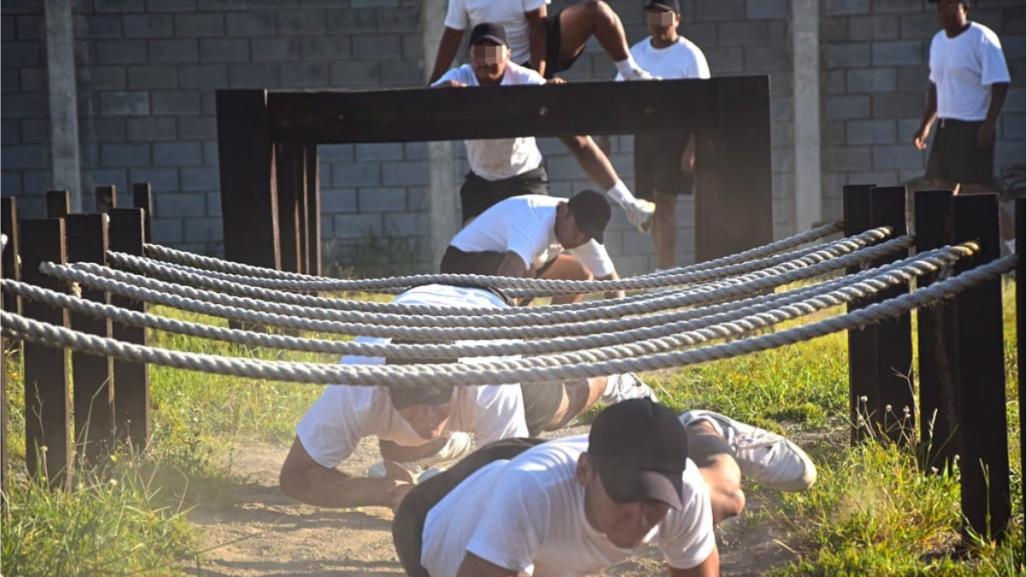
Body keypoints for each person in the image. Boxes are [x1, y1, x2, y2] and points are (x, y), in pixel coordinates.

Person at [278, 284, 655, 511]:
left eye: (436, 403)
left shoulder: (489, 384)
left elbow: (515, 483)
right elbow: (295, 476)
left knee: (555, 408)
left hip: (486, 311)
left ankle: (611, 373)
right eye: (413, 405)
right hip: (416, 301)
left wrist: (456, 494)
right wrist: (384, 492)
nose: (427, 416)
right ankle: (438, 449)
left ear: (458, 386)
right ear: (387, 389)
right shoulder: (357, 388)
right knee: (405, 439)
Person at [392, 399, 817, 577]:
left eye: (654, 506)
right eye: (624, 498)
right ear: (587, 472)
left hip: (561, 468)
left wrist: (651, 501)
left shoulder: (680, 491)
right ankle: (434, 479)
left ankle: (701, 427)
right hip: (433, 513)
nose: (636, 523)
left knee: (728, 498)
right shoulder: (530, 496)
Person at [432, 22, 656, 233]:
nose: (486, 62)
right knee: (471, 248)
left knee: (575, 138)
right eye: (479, 54)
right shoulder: (463, 75)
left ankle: (629, 203)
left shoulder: (520, 77)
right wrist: (445, 90)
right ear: (470, 56)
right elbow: (427, 98)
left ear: (508, 55)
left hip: (524, 178)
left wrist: (552, 90)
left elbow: (547, 92)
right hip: (482, 180)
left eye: (493, 54)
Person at [607, 0, 710, 271]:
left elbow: (703, 105)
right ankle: (661, 268)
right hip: (646, 135)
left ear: (677, 19)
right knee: (651, 203)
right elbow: (617, 96)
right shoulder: (637, 53)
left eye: (663, 17)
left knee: (665, 199)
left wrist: (692, 147)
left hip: (678, 136)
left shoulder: (690, 55)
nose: (658, 24)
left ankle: (668, 268)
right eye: (652, 17)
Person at [439, 191, 623, 304]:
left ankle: (550, 335)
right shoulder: (534, 220)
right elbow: (508, 275)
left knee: (580, 274)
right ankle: (510, 334)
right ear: (565, 211)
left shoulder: (579, 232)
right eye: (579, 229)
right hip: (459, 262)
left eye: (588, 235)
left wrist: (620, 328)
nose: (580, 239)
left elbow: (612, 284)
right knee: (527, 271)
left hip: (509, 266)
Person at [913, 0, 1010, 195]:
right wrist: (925, 125)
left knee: (974, 194)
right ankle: (947, 226)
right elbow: (936, 86)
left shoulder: (982, 37)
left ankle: (1001, 226)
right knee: (941, 189)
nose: (942, 10)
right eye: (939, 6)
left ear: (963, 6)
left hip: (974, 126)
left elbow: (1000, 83)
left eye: (948, 4)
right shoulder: (938, 41)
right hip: (946, 126)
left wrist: (989, 124)